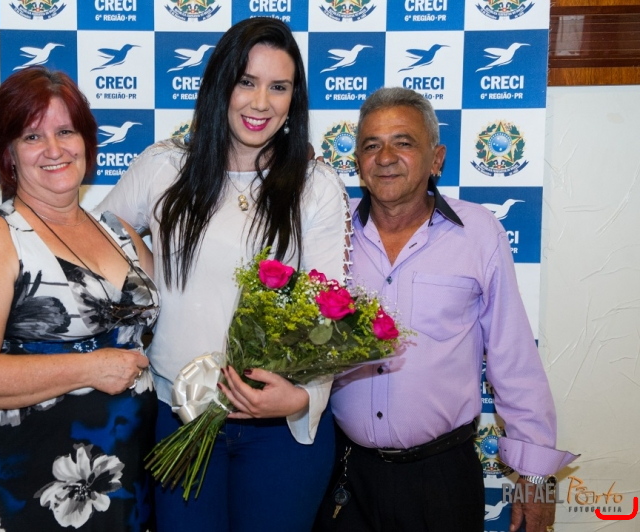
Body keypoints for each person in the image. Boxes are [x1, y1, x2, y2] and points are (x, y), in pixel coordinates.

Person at [96, 17, 349, 532]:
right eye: (246, 82)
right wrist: (147, 270)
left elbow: (330, 310)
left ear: (294, 99)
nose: (261, 103)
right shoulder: (163, 167)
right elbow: (93, 247)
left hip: (279, 431)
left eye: (279, 87)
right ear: (219, 85)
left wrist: (302, 397)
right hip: (179, 419)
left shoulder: (316, 186)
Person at [314, 87, 577, 532]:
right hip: (343, 476)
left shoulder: (479, 233)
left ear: (436, 159)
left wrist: (537, 480)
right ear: (357, 161)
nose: (385, 157)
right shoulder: (328, 235)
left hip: (442, 479)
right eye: (371, 145)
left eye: (403, 142)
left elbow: (514, 360)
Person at [0, 67, 159, 532]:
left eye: (66, 131)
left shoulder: (119, 232)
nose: (54, 149)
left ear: (86, 142)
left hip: (123, 478)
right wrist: (88, 368)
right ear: (9, 154)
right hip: (27, 483)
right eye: (33, 136)